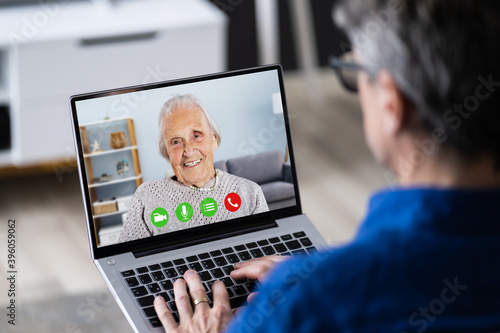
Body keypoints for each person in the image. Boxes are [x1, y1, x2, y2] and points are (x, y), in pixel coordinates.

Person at [153, 1, 500, 332]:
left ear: (392, 104)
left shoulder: (306, 304)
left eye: (356, 72)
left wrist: (311, 281)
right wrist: (312, 272)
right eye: (175, 142)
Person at [118, 94, 268, 242]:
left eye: (196, 135)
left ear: (214, 139)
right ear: (167, 153)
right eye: (176, 142)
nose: (188, 151)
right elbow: (125, 259)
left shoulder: (249, 192)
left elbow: (266, 251)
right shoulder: (147, 197)